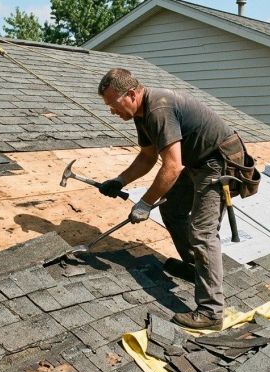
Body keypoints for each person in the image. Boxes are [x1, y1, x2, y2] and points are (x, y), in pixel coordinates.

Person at [97, 67, 238, 330]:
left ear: (131, 94)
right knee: (172, 211)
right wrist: (120, 180)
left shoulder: (157, 109)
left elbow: (172, 167)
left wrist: (145, 203)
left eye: (113, 104)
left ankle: (211, 311)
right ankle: (197, 269)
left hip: (218, 162)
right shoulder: (140, 114)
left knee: (202, 232)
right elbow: (148, 157)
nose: (111, 111)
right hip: (194, 160)